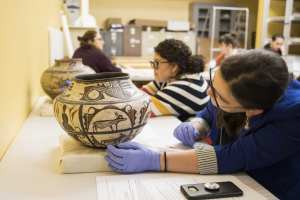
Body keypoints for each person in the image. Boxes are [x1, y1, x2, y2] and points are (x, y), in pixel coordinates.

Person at [105, 50, 300, 199]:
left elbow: (232, 156)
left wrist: (157, 159)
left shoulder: (292, 117)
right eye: (211, 84)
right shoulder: (246, 77)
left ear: (252, 109)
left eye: (218, 95)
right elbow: (211, 109)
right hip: (239, 177)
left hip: (272, 190)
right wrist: (199, 123)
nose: (208, 94)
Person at [141, 39, 210, 121]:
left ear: (174, 67)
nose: (153, 67)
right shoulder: (173, 78)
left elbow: (139, 109)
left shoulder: (183, 88)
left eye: (157, 63)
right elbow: (141, 92)